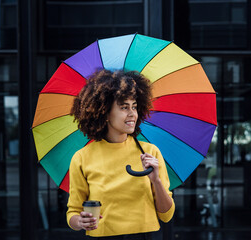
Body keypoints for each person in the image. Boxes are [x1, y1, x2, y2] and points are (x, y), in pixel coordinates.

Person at [66, 69, 175, 239]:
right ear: (105, 112)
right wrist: (78, 221)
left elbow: (167, 215)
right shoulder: (81, 158)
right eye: (124, 107)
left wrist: (156, 181)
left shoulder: (150, 152)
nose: (132, 114)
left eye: (134, 107)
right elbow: (73, 212)